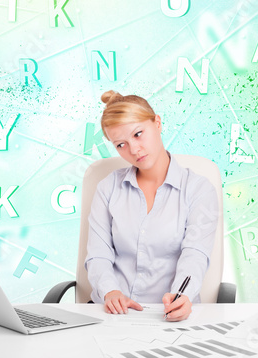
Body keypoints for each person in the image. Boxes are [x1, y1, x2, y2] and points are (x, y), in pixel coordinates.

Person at [84, 90, 219, 322]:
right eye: (121, 144)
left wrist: (181, 296)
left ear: (157, 122)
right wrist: (110, 292)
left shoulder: (199, 189)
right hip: (113, 315)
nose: (134, 150)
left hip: (167, 315)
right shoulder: (108, 188)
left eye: (138, 134)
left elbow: (195, 254)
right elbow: (98, 254)